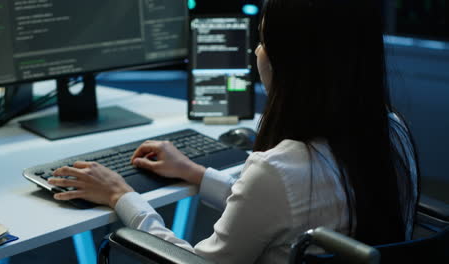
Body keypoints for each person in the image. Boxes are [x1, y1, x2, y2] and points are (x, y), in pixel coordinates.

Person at [48, 0, 420, 263]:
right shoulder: (391, 132)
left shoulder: (279, 169)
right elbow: (281, 211)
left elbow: (195, 263)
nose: (257, 50)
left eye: (262, 38)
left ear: (290, 60)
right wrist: (195, 174)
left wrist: (122, 196)